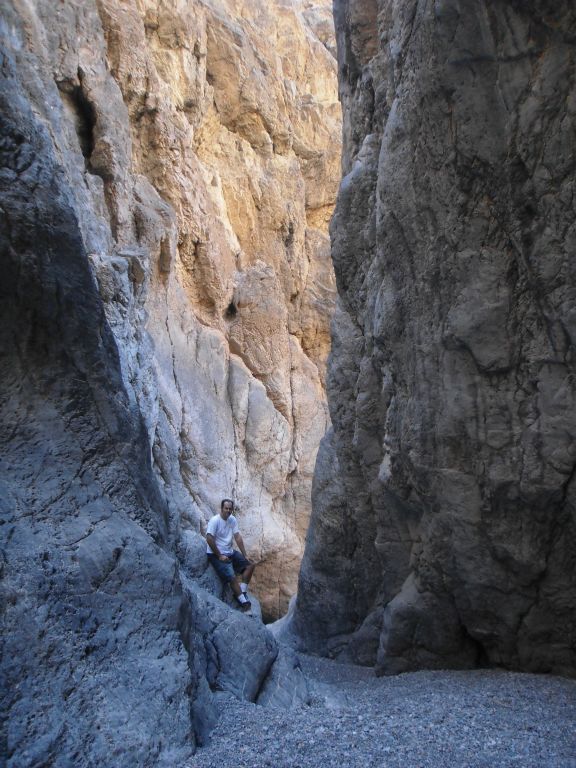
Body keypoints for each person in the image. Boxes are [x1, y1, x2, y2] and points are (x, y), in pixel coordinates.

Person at [206, 498, 255, 610]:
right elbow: (209, 538)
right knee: (232, 576)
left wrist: (245, 555)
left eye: (230, 509)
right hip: (215, 554)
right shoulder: (215, 521)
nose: (228, 510)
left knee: (250, 565)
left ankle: (242, 591)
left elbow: (237, 537)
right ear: (222, 508)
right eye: (226, 508)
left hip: (229, 552)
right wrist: (219, 556)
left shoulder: (232, 519)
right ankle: (243, 602)